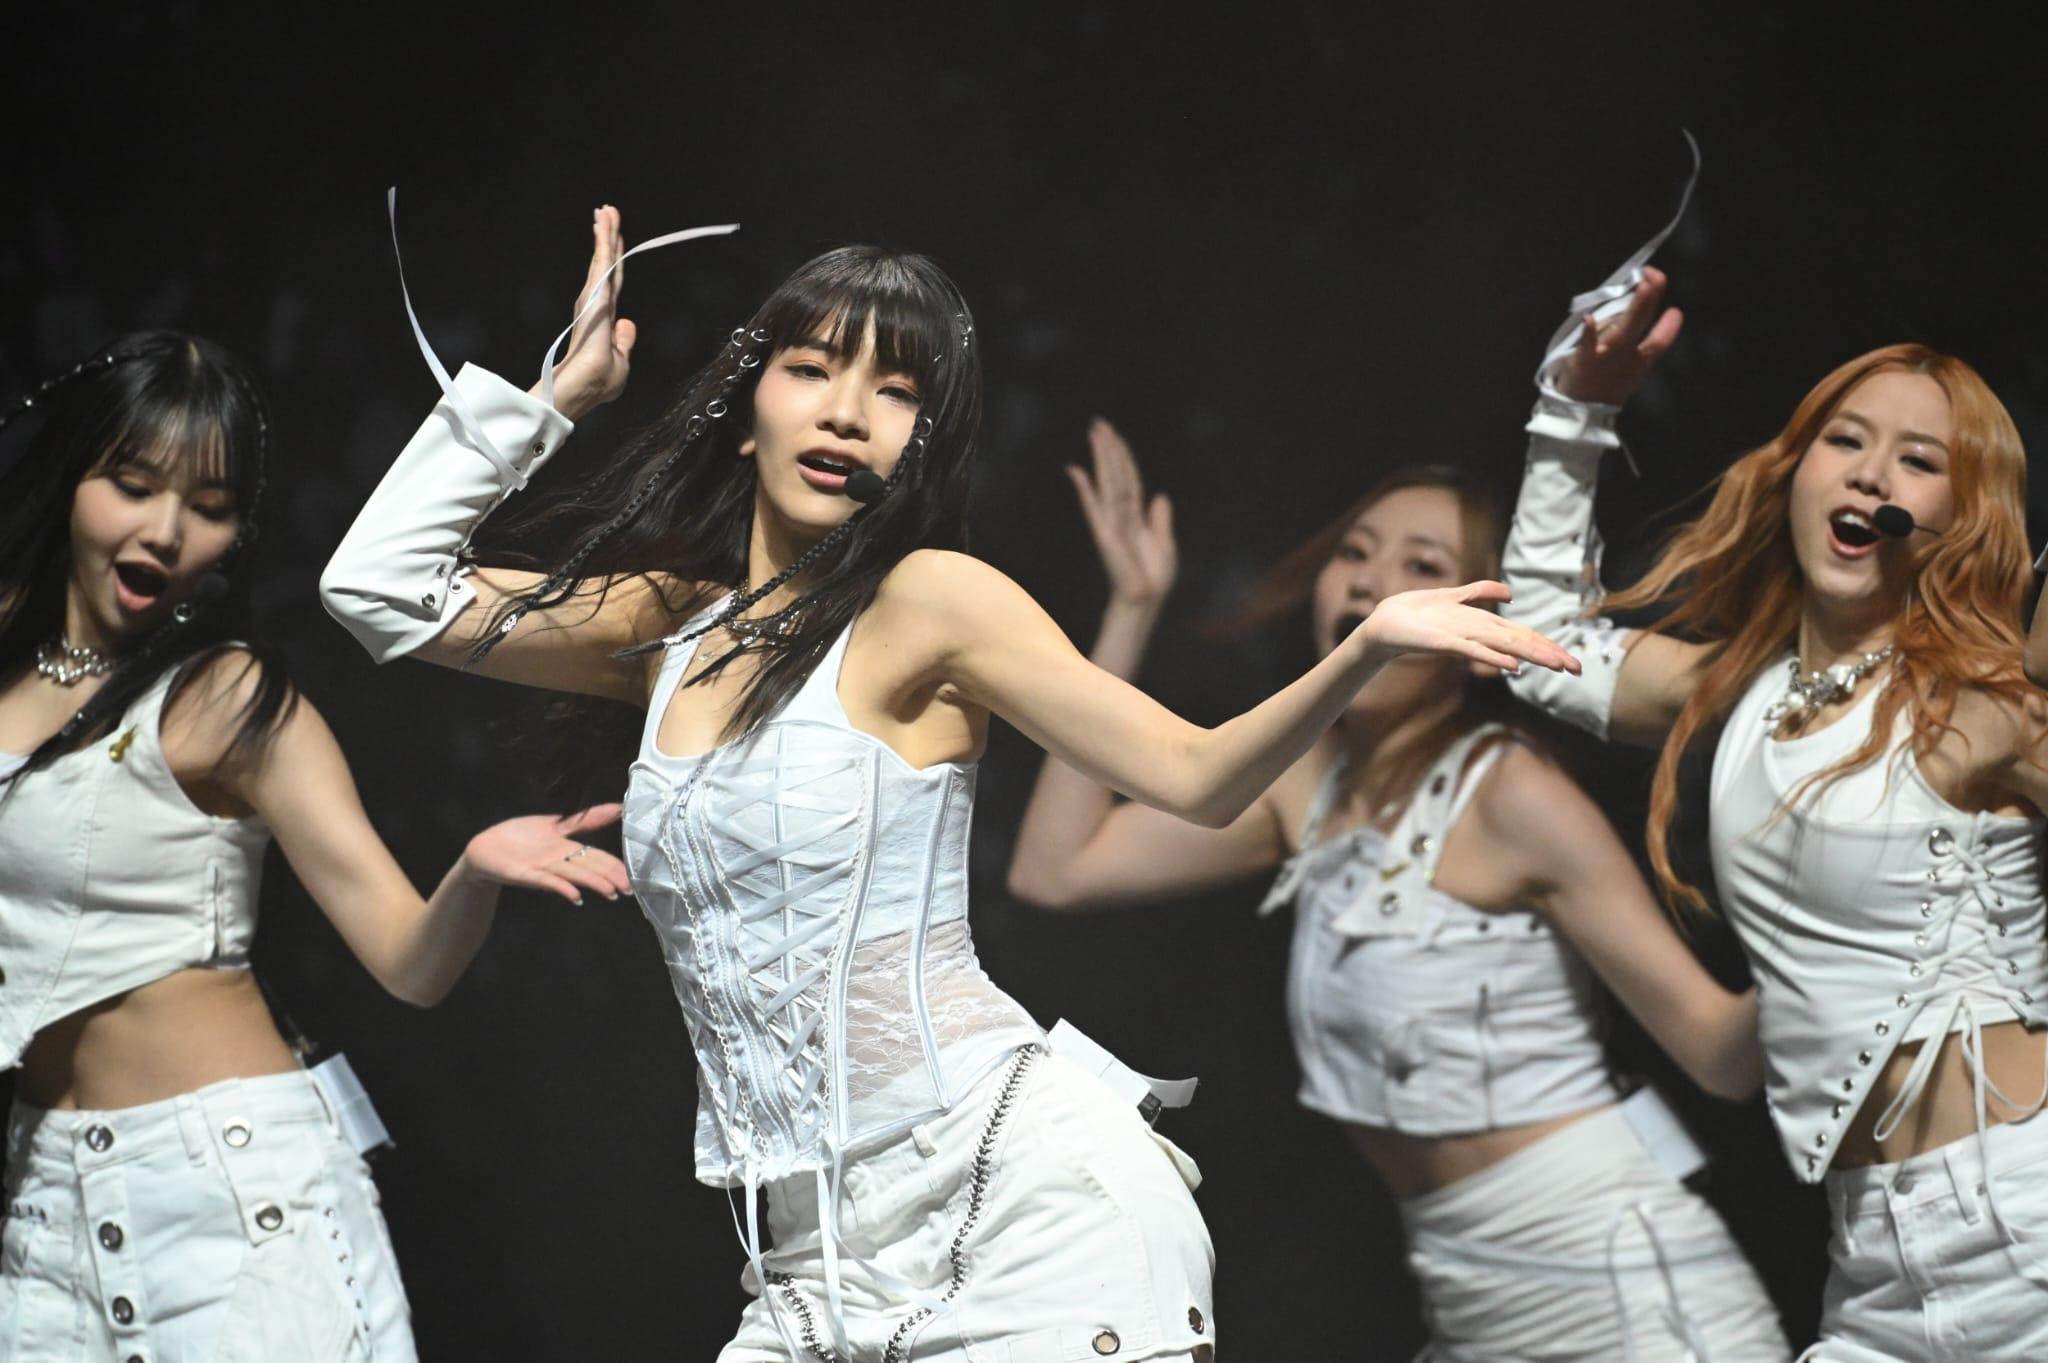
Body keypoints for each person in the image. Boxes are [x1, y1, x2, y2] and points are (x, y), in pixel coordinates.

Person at [318, 206, 1577, 1360]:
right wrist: (555, 396)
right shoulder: (663, 625)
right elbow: (377, 591)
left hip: (1020, 1203)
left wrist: (1362, 651)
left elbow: (1192, 778)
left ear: (920, 444)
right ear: (746, 404)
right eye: (811, 368)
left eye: (895, 390)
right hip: (804, 1260)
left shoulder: (928, 602)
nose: (845, 413)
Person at [1005, 419, 1790, 1360]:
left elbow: (1719, 1053)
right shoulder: (1308, 783)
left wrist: (1844, 921)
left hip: (1628, 1293)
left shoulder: (1512, 793)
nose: (1373, 583)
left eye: (1423, 564)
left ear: (1478, 624)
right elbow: (1056, 868)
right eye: (1355, 552)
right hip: (1468, 1300)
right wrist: (1133, 607)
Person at [0, 332, 631, 1363]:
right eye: (133, 486)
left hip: (228, 1198)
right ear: (73, 475)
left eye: (210, 507)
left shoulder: (226, 696)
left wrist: (470, 870)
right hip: (42, 1206)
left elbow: (409, 963)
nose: (166, 531)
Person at [1500, 254, 2048, 1360]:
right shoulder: (1734, 692)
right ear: (1794, 470)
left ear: (1957, 515)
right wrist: (1571, 414)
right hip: (1871, 1270)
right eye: (1845, 441)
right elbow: (1535, 641)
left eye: (1918, 460)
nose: (1870, 473)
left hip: (2025, 1225)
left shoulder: (1985, 707)